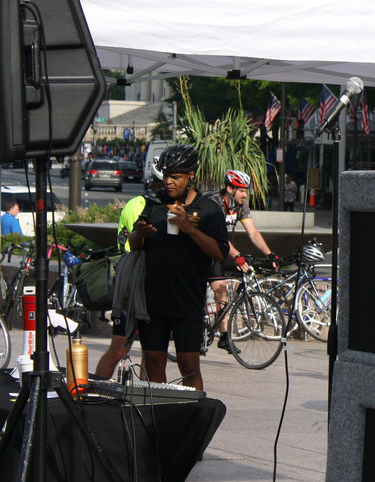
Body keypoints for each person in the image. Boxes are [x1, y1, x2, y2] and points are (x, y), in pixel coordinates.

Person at [128, 144, 228, 390]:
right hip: (153, 301)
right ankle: (156, 416)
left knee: (189, 365)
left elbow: (218, 252)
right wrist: (138, 234)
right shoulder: (154, 205)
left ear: (191, 176)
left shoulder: (208, 210)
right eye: (166, 176)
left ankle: (191, 418)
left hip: (187, 300)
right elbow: (134, 244)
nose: (169, 182)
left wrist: (189, 227)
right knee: (152, 362)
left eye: (176, 177)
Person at [206, 169, 278, 351]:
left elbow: (252, 232)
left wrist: (270, 254)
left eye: (246, 190)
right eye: (242, 190)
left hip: (216, 254)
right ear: (230, 188)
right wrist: (237, 255)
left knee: (221, 292)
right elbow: (219, 236)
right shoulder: (214, 204)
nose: (245, 195)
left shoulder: (240, 207)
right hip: (199, 252)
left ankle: (224, 336)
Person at [94, 192, 149, 379]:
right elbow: (139, 244)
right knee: (119, 348)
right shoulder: (138, 205)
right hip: (129, 282)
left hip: (148, 282)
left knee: (151, 353)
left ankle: (145, 399)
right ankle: (97, 390)